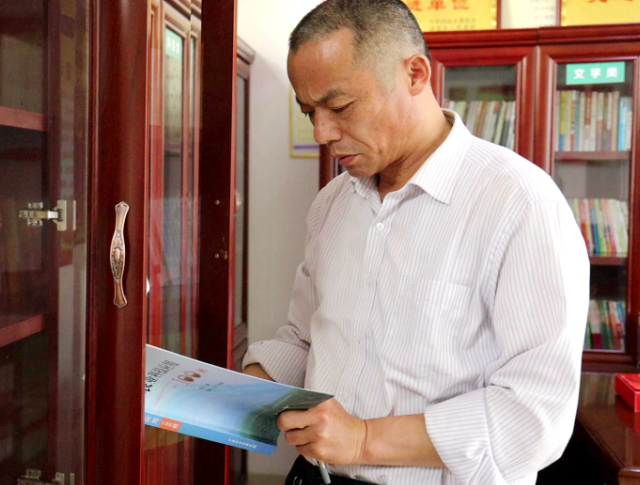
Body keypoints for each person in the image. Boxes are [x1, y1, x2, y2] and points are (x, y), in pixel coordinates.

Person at [243, 1, 590, 483]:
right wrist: (242, 390)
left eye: (339, 107)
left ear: (415, 74)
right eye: (309, 112)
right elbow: (307, 338)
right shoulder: (332, 204)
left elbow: (534, 415)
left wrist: (364, 439)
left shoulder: (519, 204)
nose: (322, 132)